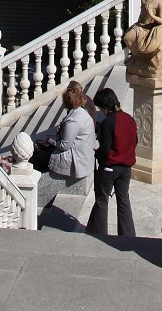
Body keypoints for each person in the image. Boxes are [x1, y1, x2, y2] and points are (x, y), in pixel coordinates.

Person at [86, 87, 137, 237]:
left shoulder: (108, 122)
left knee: (102, 200)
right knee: (123, 201)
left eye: (100, 108)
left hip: (109, 168)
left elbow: (106, 149)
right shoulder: (130, 119)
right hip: (126, 168)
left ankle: (98, 233)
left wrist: (97, 155)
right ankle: (128, 236)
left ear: (105, 106)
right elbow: (135, 141)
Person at [34, 83, 97, 177]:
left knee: (39, 158)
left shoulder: (73, 119)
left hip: (77, 160)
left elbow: (64, 145)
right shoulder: (82, 112)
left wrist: (51, 139)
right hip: (84, 155)